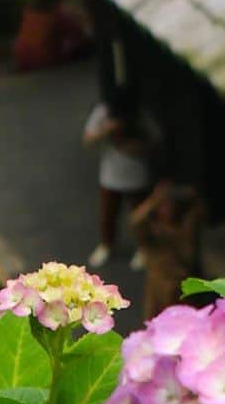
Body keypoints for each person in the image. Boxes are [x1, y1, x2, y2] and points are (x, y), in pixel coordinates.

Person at [82, 84, 160, 269]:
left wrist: (136, 147)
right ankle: (107, 245)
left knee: (140, 217)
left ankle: (143, 248)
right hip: (110, 175)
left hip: (136, 175)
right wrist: (106, 130)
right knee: (108, 215)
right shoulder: (103, 112)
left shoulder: (140, 115)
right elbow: (88, 139)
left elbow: (155, 140)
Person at [131, 178, 204, 319]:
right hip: (158, 286)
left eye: (169, 205)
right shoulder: (151, 233)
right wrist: (153, 201)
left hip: (181, 286)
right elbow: (136, 221)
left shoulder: (184, 229)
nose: (165, 210)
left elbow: (198, 214)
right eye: (162, 206)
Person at [12, 0, 91, 72]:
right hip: (44, 60)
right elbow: (78, 33)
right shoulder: (57, 14)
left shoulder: (28, 10)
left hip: (22, 59)